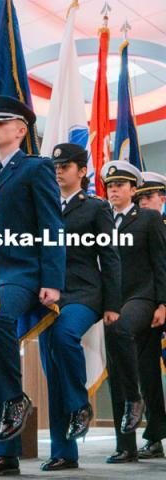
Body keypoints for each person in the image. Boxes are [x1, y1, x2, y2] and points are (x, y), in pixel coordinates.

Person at [0, 96, 66, 477]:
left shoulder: (36, 168)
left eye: (2, 122)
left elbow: (51, 226)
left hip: (22, 273)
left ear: (22, 130)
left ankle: (15, 400)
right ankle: (4, 452)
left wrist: (53, 282)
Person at [38, 143, 121, 471]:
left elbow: (110, 257)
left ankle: (79, 405)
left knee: (64, 336)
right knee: (53, 372)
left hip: (84, 294)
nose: (59, 171)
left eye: (66, 166)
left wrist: (112, 304)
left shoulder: (95, 208)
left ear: (82, 171)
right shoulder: (45, 204)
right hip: (49, 297)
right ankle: (64, 452)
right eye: (56, 166)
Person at [101, 161, 166, 464]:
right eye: (110, 185)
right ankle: (126, 444)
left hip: (143, 298)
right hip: (112, 300)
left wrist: (163, 303)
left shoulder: (149, 219)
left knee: (121, 331)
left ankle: (136, 402)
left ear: (133, 189)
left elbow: (160, 264)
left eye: (121, 185)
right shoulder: (100, 219)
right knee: (134, 371)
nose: (114, 189)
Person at [132, 171, 166, 459]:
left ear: (162, 198)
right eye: (139, 197)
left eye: (148, 197)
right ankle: (155, 434)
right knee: (147, 372)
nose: (142, 202)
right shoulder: (134, 227)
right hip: (151, 306)